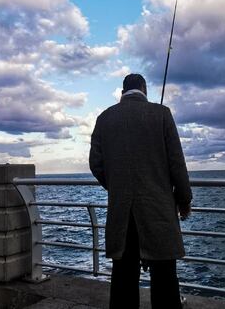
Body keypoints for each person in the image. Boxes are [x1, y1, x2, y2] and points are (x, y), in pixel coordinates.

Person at [89, 73, 192, 309]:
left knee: (123, 279)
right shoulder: (162, 114)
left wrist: (117, 187)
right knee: (164, 278)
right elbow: (177, 163)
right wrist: (183, 199)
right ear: (144, 89)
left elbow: (96, 163)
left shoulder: (104, 118)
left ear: (122, 92)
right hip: (159, 212)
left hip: (121, 213)